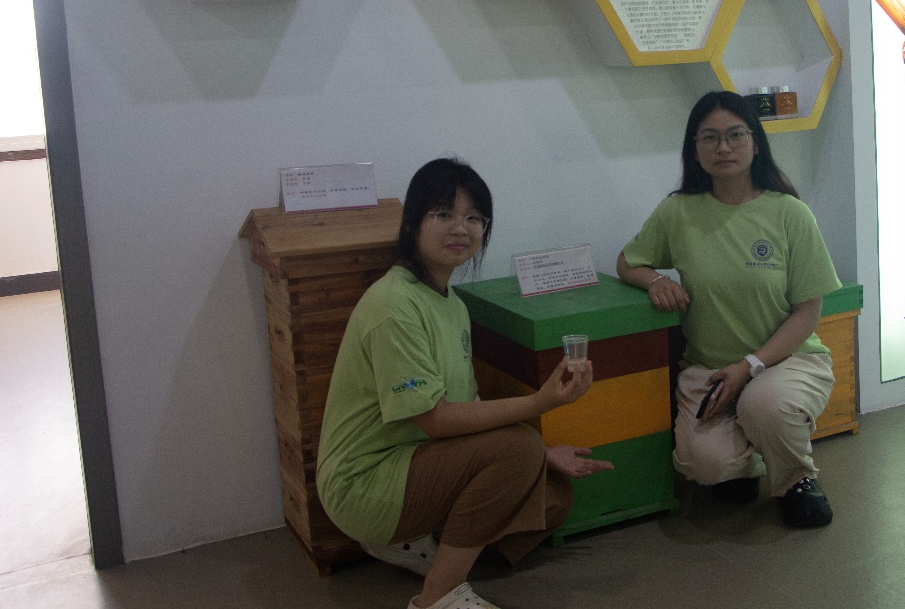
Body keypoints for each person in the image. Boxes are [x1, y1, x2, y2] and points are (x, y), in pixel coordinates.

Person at [318, 158, 613, 609]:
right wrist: (540, 405)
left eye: (474, 218)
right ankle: (437, 595)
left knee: (553, 496)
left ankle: (424, 540)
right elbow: (436, 420)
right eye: (443, 214)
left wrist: (544, 453)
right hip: (366, 481)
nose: (461, 228)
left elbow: (468, 402)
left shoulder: (451, 302)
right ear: (412, 223)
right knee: (517, 451)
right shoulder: (393, 304)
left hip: (420, 460)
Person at [616, 91, 842, 528]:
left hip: (787, 362)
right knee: (706, 466)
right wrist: (657, 281)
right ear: (695, 149)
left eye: (736, 135)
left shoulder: (790, 213)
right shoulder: (678, 211)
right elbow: (628, 261)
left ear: (756, 143)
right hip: (710, 368)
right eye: (710, 138)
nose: (723, 147)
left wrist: (750, 366)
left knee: (764, 405)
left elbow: (807, 313)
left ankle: (796, 479)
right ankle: (745, 464)